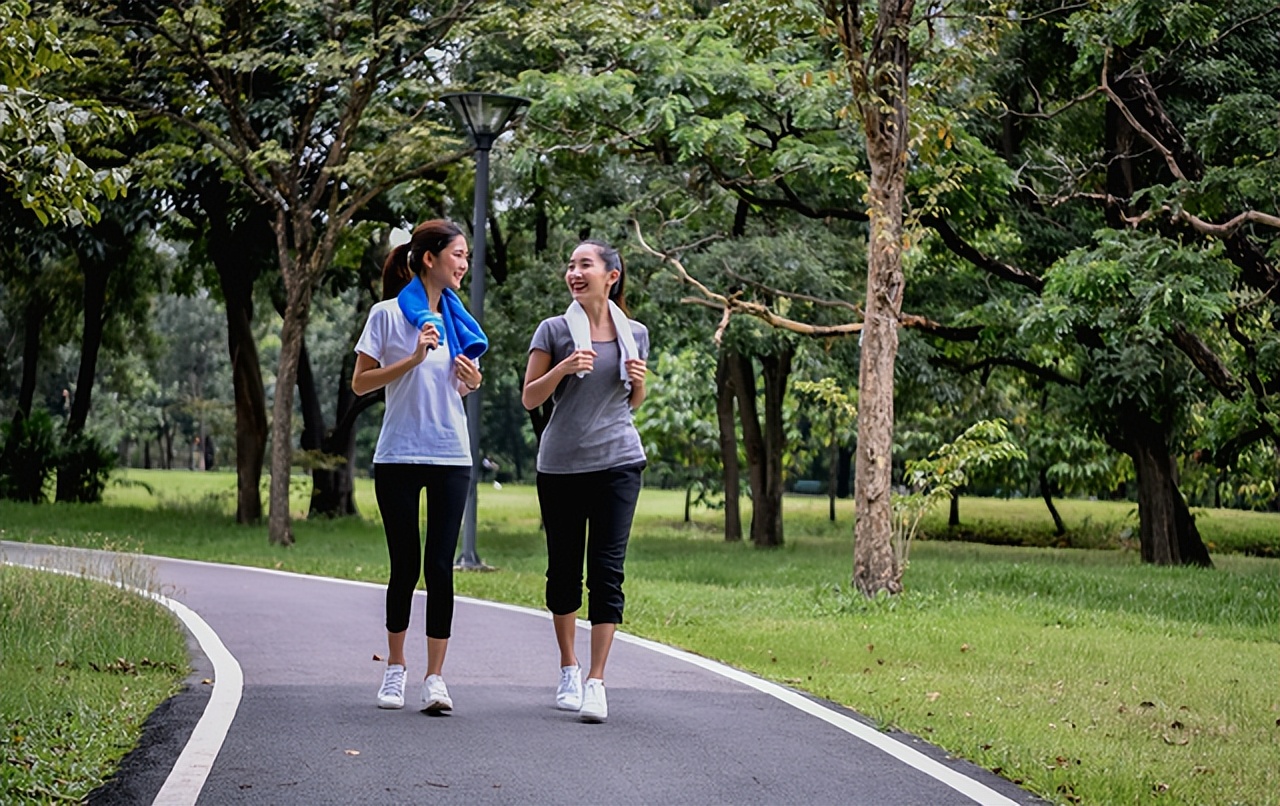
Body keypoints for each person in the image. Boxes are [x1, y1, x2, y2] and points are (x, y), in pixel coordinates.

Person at [352, 219, 486, 713]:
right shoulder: (387, 316)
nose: (464, 264)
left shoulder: (457, 322)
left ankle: (435, 678)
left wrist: (469, 380)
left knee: (440, 568)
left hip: (451, 455)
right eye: (458, 254)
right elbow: (361, 384)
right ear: (429, 258)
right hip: (399, 454)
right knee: (405, 565)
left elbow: (457, 390)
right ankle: (394, 669)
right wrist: (411, 359)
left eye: (467, 256)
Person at [521, 238, 649, 723]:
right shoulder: (554, 330)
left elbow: (631, 402)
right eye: (571, 265)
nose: (575, 273)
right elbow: (530, 398)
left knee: (607, 572)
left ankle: (597, 680)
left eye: (585, 265)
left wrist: (638, 380)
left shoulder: (633, 331)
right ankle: (568, 667)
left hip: (619, 462)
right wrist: (564, 367)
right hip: (561, 467)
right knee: (564, 571)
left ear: (611, 276)